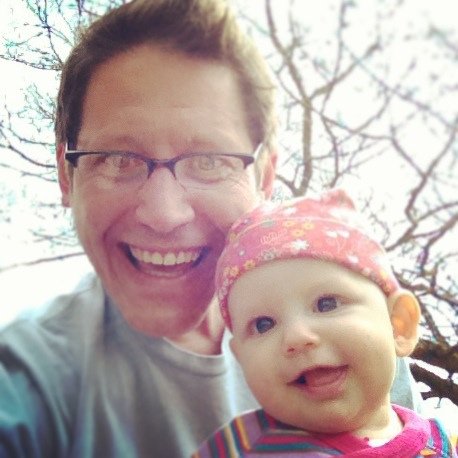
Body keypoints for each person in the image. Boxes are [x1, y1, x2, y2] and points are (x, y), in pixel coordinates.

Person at [0, 1, 422, 457]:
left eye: (209, 161)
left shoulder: (356, 333)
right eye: (118, 160)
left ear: (264, 178)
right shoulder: (24, 383)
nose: (164, 214)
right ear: (67, 177)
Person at [193, 189, 457, 457]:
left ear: (398, 324)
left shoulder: (442, 444)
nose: (296, 336)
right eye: (263, 324)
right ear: (241, 359)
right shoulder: (243, 445)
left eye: (326, 304)